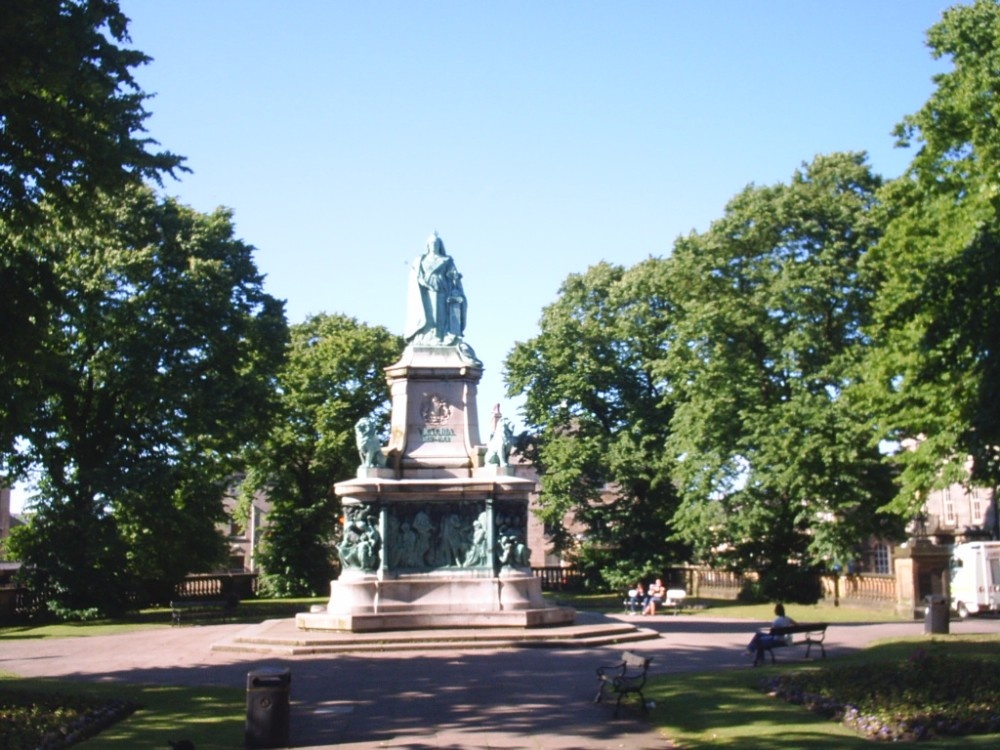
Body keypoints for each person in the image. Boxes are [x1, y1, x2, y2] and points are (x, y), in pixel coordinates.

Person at [405, 232, 467, 346]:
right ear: (427, 245)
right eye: (431, 243)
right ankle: (426, 335)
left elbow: (453, 276)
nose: (434, 245)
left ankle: (439, 335)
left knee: (440, 313)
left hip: (441, 289)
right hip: (424, 290)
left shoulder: (447, 260)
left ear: (440, 245)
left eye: (436, 243)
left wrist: (455, 280)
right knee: (426, 314)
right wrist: (420, 281)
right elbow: (415, 274)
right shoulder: (420, 259)